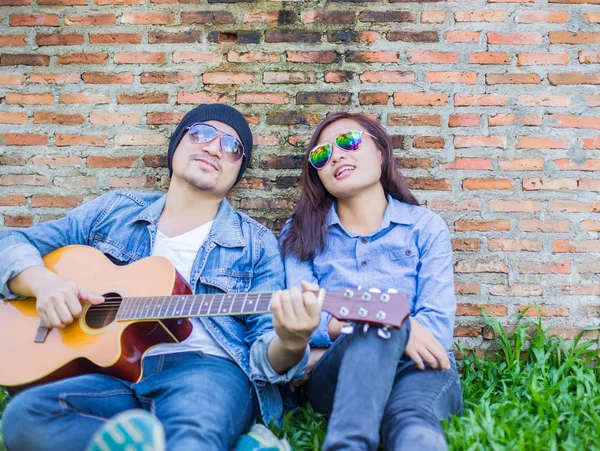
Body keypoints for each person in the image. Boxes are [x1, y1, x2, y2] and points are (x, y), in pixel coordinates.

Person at [0, 104, 321, 451]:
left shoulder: (256, 243)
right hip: (106, 375)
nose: (214, 148)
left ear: (236, 172)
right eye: (201, 134)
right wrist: (44, 284)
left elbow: (265, 355)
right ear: (176, 145)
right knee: (25, 417)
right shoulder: (114, 211)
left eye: (232, 147)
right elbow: (11, 243)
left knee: (191, 437)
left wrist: (291, 341)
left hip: (205, 372)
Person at [280, 112, 464, 450]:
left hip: (421, 368)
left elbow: (436, 331)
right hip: (340, 374)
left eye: (349, 142)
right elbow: (305, 320)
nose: (336, 155)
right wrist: (394, 323)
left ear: (381, 152)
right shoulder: (300, 235)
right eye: (321, 154)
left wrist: (339, 329)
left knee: (413, 424)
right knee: (377, 322)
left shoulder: (425, 228)